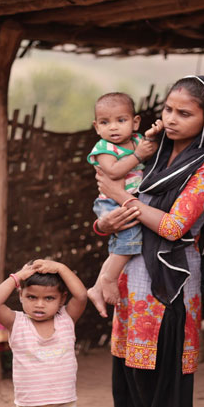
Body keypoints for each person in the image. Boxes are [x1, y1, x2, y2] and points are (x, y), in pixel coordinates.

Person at [95, 76, 204, 407]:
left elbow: (174, 226)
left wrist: (119, 195)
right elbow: (111, 213)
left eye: (185, 113)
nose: (172, 119)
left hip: (169, 289)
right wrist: (103, 222)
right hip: (129, 285)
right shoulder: (151, 155)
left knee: (162, 391)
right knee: (129, 387)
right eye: (168, 110)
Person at [86, 92, 159, 317]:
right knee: (130, 237)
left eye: (121, 120)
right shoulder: (104, 148)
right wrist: (137, 156)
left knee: (121, 246)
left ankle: (97, 287)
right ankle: (107, 279)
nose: (114, 128)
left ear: (135, 122)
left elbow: (154, 149)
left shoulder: (137, 140)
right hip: (109, 203)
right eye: (105, 123)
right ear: (97, 127)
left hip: (126, 200)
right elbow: (113, 171)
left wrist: (154, 135)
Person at [0, 259, 88, 407]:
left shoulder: (66, 319)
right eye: (32, 297)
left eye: (49, 298)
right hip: (29, 403)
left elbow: (82, 296)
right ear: (21, 295)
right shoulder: (17, 323)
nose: (39, 304)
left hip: (65, 401)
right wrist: (18, 276)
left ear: (62, 299)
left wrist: (60, 268)